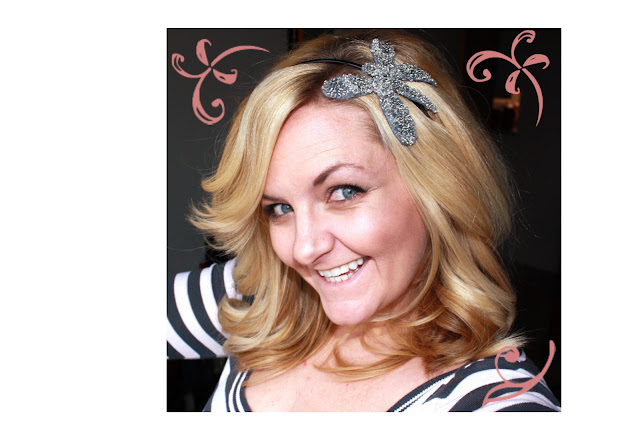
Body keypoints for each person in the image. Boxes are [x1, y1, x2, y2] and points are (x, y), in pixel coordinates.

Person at [167, 29, 561, 412]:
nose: (304, 249)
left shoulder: (494, 402)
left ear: (437, 188)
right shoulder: (264, 296)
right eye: (280, 208)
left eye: (344, 191)